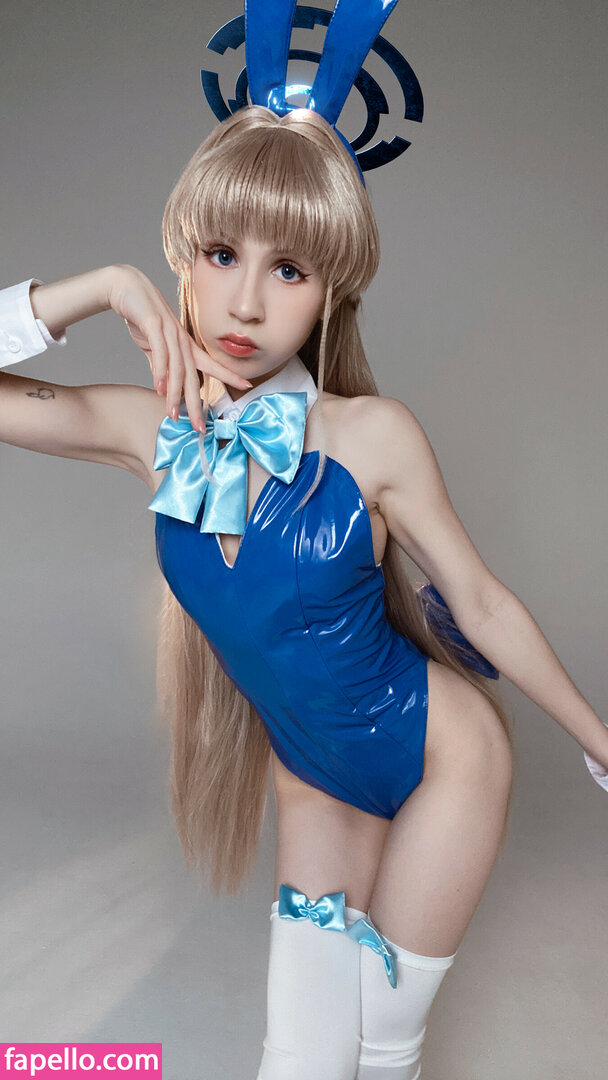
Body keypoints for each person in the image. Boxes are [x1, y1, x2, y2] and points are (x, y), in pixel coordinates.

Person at [1, 71, 607, 1080]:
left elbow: (481, 602)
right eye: (221, 254)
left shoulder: (372, 436)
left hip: (443, 759)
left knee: (382, 1047)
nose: (245, 302)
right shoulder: (151, 435)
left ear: (331, 293)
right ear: (183, 260)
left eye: (289, 269)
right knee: (301, 1062)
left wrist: (600, 742)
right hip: (316, 780)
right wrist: (102, 287)